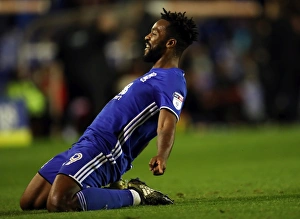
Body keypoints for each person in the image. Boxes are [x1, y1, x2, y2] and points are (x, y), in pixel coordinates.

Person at [20, 8, 198, 212]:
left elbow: (167, 121)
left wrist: (162, 155)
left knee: (60, 202)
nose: (147, 36)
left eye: (155, 33)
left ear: (170, 43)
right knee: (30, 202)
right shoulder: (153, 74)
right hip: (85, 143)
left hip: (106, 150)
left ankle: (136, 194)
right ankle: (109, 190)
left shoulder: (172, 79)